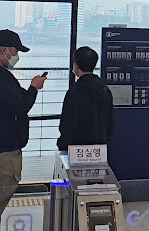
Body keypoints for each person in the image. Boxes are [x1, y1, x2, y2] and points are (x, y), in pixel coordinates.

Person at [0, 29, 46, 218]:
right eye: (15, 51)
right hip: (4, 153)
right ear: (3, 50)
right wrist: (34, 88)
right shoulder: (2, 78)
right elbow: (19, 106)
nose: (17, 56)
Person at [57, 47, 114, 151]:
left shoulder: (74, 91)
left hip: (76, 147)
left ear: (76, 65)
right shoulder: (105, 90)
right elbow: (110, 121)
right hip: (99, 146)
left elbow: (66, 123)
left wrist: (62, 144)